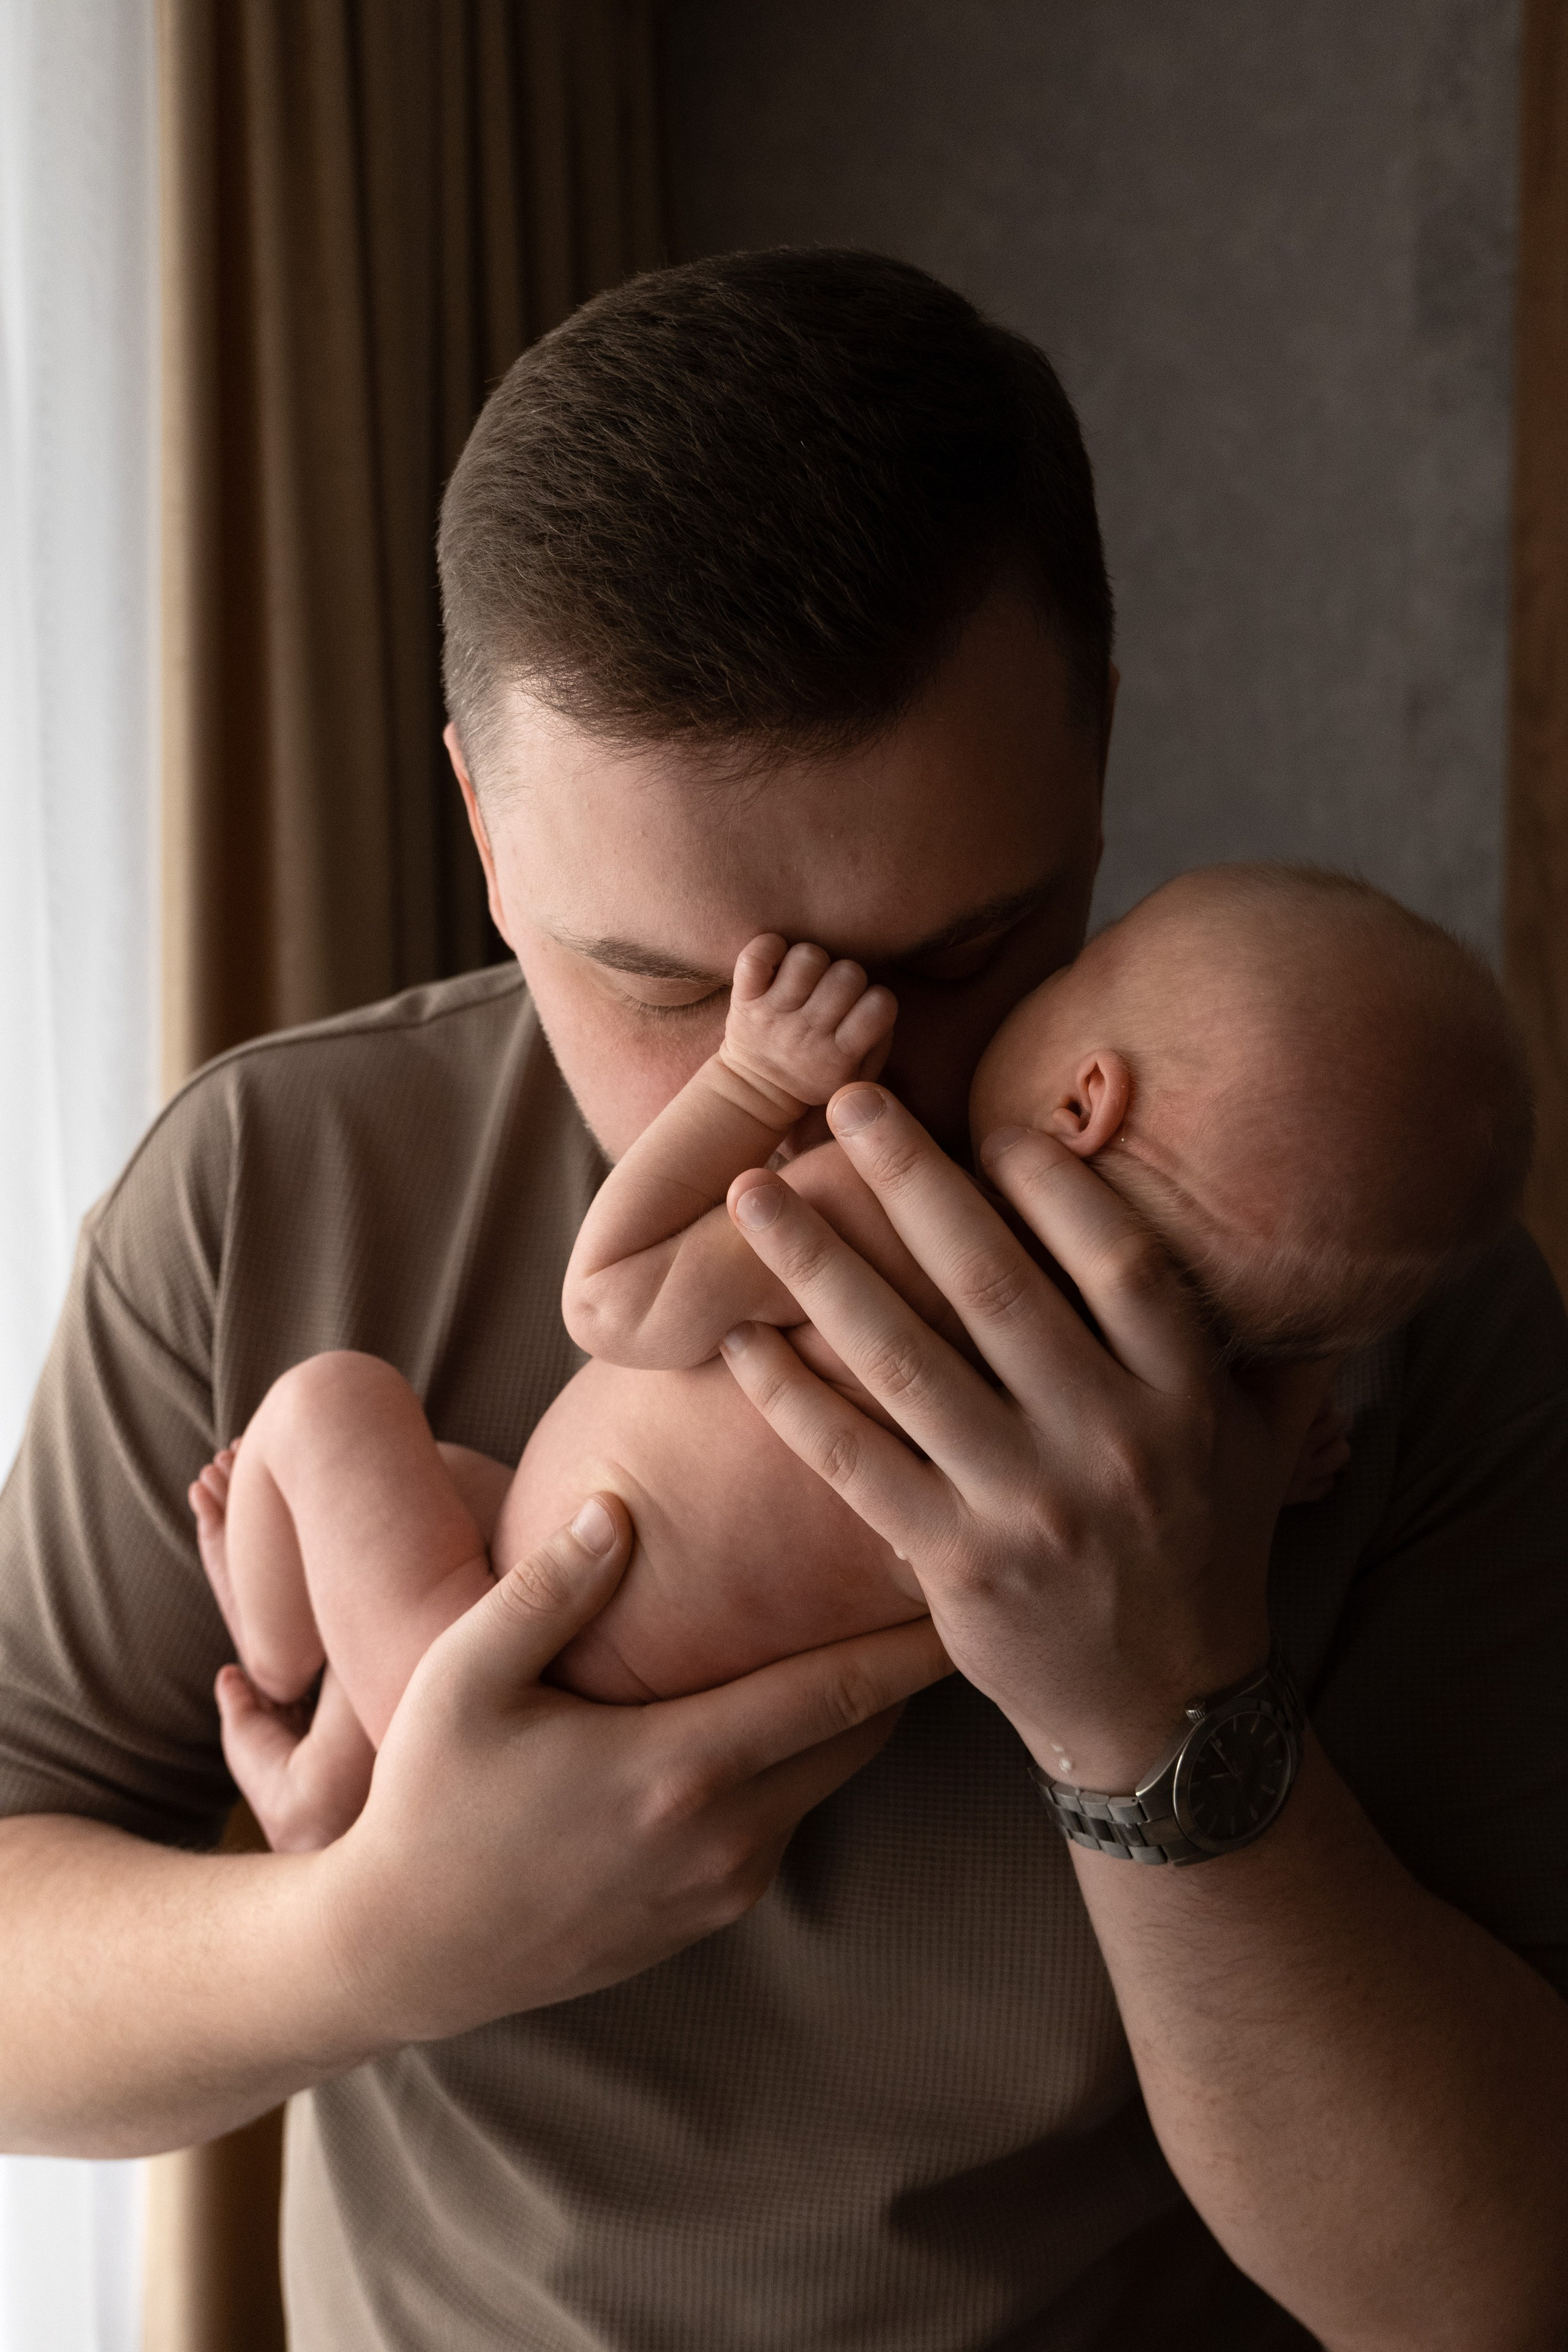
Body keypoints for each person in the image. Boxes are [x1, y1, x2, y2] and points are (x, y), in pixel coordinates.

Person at [1, 249, 1565, 2350]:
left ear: (1095, 749)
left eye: (959, 958)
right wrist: (374, 1941)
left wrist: (1164, 1720)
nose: (843, 1080)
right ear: (479, 818)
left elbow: (1485, 2288)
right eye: (662, 989)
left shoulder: (1368, 1281)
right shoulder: (272, 1188)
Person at [187, 863, 1532, 1841]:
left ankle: (287, 1667)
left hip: (491, 1678)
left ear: (1085, 1100)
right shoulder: (1168, 1466)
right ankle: (328, 1763)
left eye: (1070, 966)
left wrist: (750, 1084)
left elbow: (610, 1303)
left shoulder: (885, 1223)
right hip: (597, 1687)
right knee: (450, 1507)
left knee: (323, 1408)